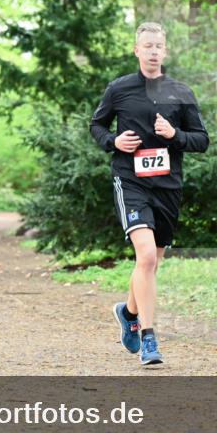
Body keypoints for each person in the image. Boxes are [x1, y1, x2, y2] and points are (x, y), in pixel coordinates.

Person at [89, 21, 209, 365]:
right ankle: (148, 338)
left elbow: (201, 139)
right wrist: (113, 141)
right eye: (148, 46)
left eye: (159, 46)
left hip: (168, 185)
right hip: (131, 180)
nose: (154, 51)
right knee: (145, 256)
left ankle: (127, 312)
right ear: (137, 50)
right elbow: (96, 125)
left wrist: (175, 134)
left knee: (152, 262)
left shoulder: (180, 92)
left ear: (165, 51)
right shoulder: (120, 89)